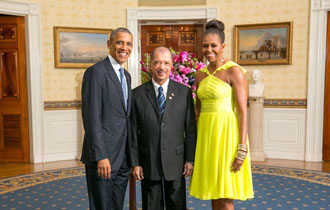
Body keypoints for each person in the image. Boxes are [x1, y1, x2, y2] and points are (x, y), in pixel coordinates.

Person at [189, 20, 254, 210]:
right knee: (214, 191)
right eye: (205, 46)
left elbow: (242, 112)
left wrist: (242, 148)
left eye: (213, 46)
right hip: (207, 137)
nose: (209, 50)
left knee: (226, 196)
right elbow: (197, 110)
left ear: (223, 46)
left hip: (227, 136)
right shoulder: (199, 74)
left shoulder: (234, 71)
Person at [130, 46, 197, 210]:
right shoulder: (137, 94)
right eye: (157, 62)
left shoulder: (184, 93)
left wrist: (190, 159)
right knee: (151, 205)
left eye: (166, 63)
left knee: (177, 205)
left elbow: (190, 129)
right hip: (148, 160)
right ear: (150, 65)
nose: (162, 67)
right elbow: (132, 132)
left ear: (172, 66)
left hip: (176, 161)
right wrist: (135, 163)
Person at [81, 27, 133, 210]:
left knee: (116, 205)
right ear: (109, 44)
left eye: (128, 44)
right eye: (119, 42)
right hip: (103, 157)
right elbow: (91, 118)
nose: (124, 47)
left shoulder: (126, 76)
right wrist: (100, 155)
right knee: (102, 206)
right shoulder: (96, 72)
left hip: (122, 157)